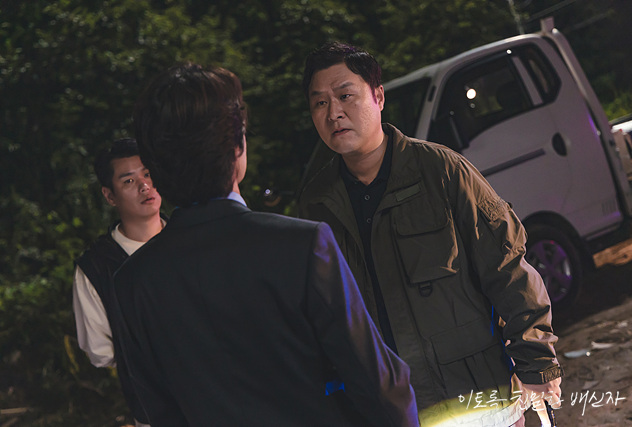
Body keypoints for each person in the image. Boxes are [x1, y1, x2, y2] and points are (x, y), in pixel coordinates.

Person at [110, 62, 419, 427]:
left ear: (155, 166)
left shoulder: (133, 282)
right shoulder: (302, 245)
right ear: (238, 147)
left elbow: (153, 408)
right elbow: (378, 385)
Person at [297, 41, 564, 426]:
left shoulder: (442, 172)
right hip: (387, 412)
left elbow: (507, 268)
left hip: (476, 400)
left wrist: (537, 363)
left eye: (345, 95)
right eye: (320, 102)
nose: (333, 112)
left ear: (378, 96)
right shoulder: (316, 205)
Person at [73, 137, 164, 427]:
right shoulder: (97, 267)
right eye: (128, 181)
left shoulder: (191, 238)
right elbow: (101, 352)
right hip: (155, 413)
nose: (144, 186)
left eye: (148, 174)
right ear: (109, 196)